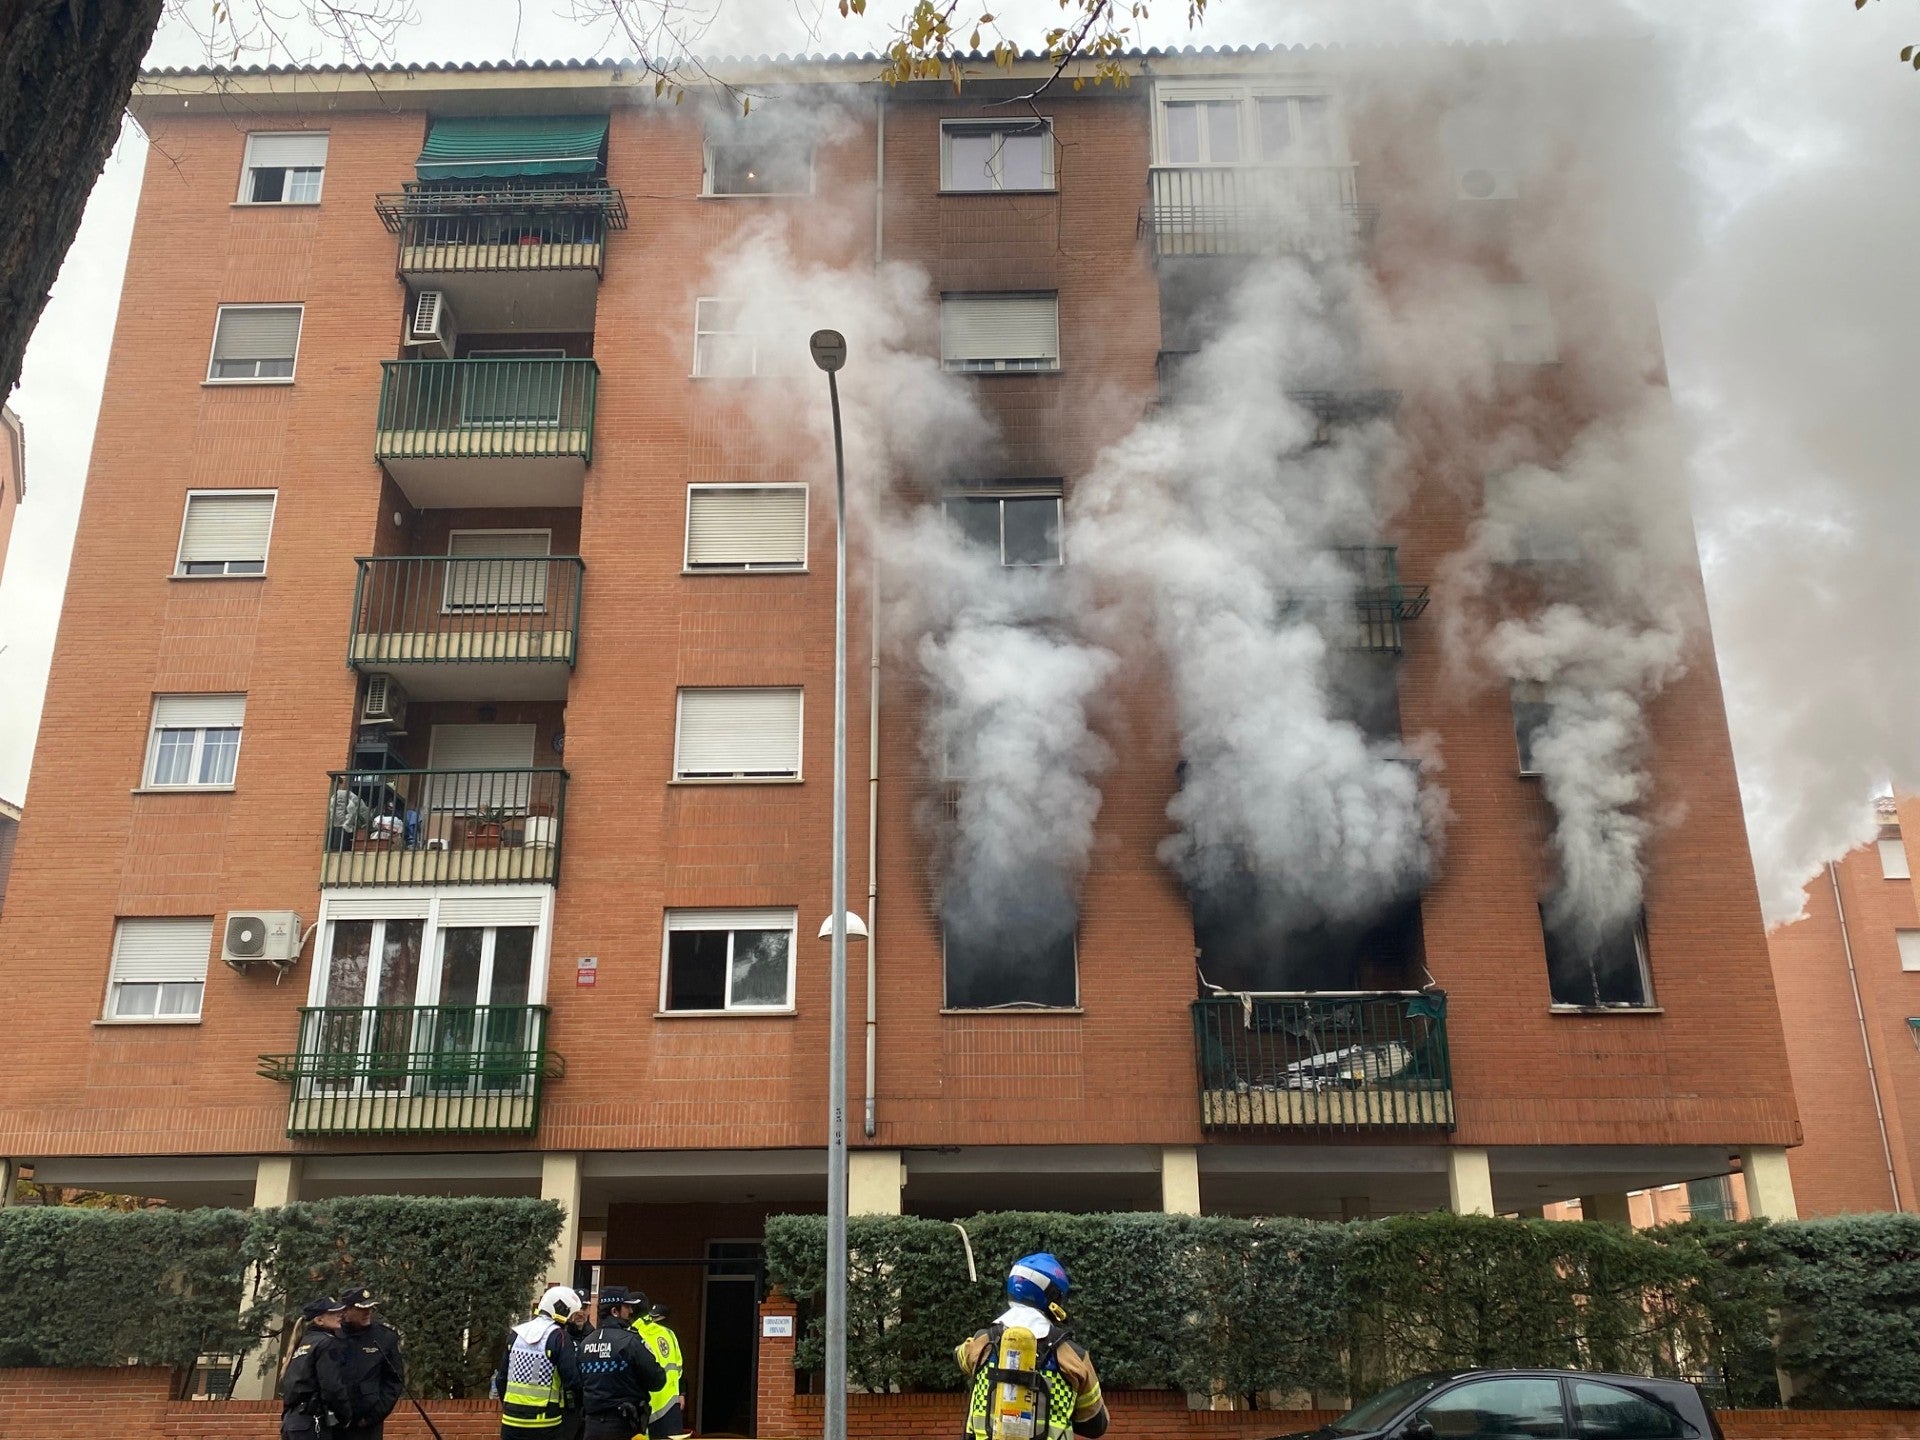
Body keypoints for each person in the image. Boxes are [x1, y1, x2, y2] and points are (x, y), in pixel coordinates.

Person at [955, 1254, 1109, 1440]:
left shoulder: (982, 1343)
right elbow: (1095, 1425)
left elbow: (959, 1356)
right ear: (1052, 1297)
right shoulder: (1074, 1356)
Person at [576, 1286, 668, 1440]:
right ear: (615, 1311)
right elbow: (657, 1380)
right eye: (626, 1307)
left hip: (591, 1427)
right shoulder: (630, 1341)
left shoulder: (585, 1343)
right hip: (623, 1427)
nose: (631, 1312)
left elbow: (577, 1382)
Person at [495, 1284, 585, 1437]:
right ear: (561, 1310)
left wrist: (509, 1408)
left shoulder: (516, 1334)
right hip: (546, 1422)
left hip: (511, 1422)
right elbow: (572, 1381)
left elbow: (501, 1379)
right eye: (570, 1313)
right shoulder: (559, 1337)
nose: (571, 1319)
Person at [322, 1286, 407, 1438]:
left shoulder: (384, 1337)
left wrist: (372, 1417)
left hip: (367, 1424)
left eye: (370, 1307)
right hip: (334, 1424)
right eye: (361, 1308)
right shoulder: (331, 1336)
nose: (368, 1312)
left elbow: (394, 1381)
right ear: (346, 1311)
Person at [281, 1296, 347, 1439]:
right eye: (333, 1313)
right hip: (312, 1422)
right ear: (319, 1320)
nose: (339, 1315)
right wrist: (345, 1416)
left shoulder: (302, 1344)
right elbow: (331, 1386)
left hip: (292, 1422)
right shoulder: (327, 1343)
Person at [631, 1301, 687, 1439]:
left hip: (660, 1404)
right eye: (653, 1318)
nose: (654, 1322)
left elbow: (678, 1367)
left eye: (658, 1319)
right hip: (657, 1405)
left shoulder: (637, 1334)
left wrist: (682, 1393)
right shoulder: (639, 1333)